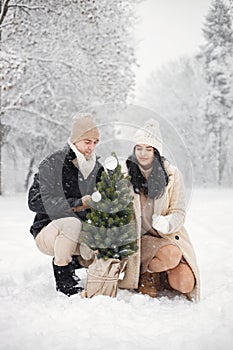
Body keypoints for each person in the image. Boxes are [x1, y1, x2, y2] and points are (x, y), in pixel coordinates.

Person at [118, 119, 200, 301]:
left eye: (149, 149)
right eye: (139, 148)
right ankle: (147, 272)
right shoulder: (124, 173)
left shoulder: (171, 174)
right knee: (171, 255)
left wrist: (168, 222)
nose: (143, 153)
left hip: (165, 236)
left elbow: (179, 211)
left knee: (185, 283)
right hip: (139, 238)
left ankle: (159, 271)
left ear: (156, 151)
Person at [28, 113, 103, 297]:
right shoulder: (53, 163)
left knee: (105, 234)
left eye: (95, 142)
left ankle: (97, 275)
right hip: (48, 231)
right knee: (71, 223)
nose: (91, 147)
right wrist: (77, 204)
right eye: (87, 141)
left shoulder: (97, 168)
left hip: (80, 233)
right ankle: (64, 279)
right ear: (75, 140)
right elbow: (35, 200)